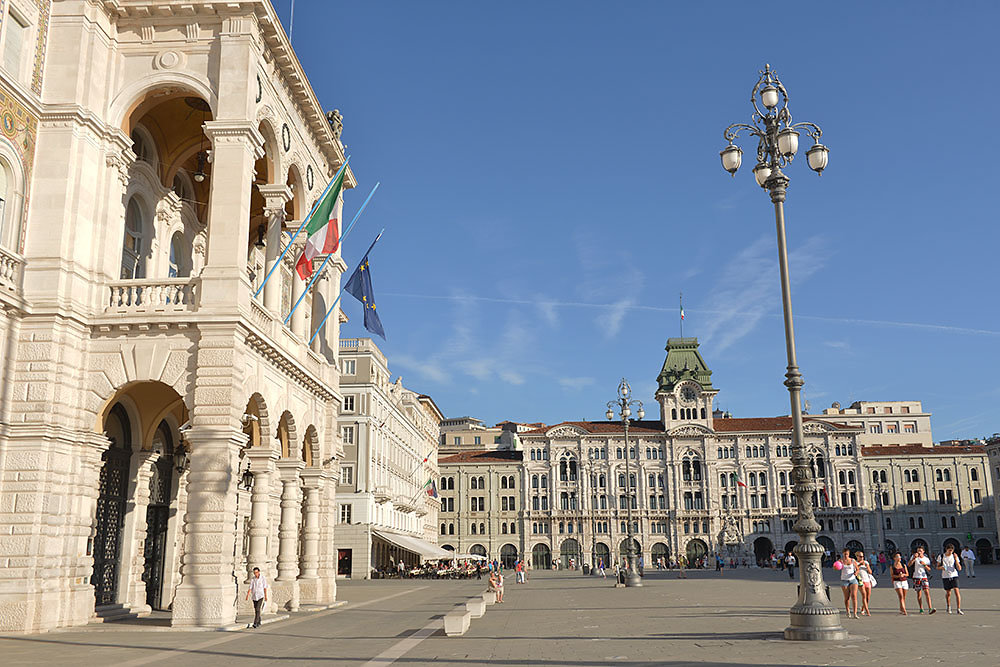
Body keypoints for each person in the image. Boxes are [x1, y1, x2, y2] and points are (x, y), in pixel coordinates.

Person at [908, 546, 936, 614]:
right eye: (918, 551)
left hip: (924, 577)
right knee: (919, 593)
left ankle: (930, 608)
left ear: (923, 551)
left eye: (920, 550)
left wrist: (924, 565)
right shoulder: (914, 557)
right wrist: (913, 559)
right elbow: (909, 565)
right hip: (916, 577)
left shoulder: (926, 559)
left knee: (927, 592)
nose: (919, 552)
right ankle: (921, 608)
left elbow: (929, 569)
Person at [938, 544, 964, 614]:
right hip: (945, 576)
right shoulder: (941, 556)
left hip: (954, 575)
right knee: (948, 593)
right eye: (949, 550)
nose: (950, 552)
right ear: (946, 549)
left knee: (956, 591)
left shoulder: (954, 556)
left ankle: (958, 608)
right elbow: (937, 567)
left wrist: (956, 559)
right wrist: (941, 568)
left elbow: (959, 568)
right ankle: (948, 606)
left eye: (952, 551)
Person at [838, 548, 860, 619]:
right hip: (844, 580)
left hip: (853, 580)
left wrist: (856, 572)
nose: (845, 555)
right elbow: (835, 567)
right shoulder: (840, 561)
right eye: (844, 554)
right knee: (847, 598)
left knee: (854, 596)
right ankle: (848, 611)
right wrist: (836, 566)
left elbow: (857, 568)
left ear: (849, 554)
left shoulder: (853, 561)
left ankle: (855, 613)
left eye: (846, 554)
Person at [856, 551, 874, 617]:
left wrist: (867, 566)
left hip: (867, 580)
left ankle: (863, 608)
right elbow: (854, 570)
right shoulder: (855, 563)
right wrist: (860, 565)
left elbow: (870, 572)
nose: (862, 558)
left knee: (868, 597)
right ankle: (867, 611)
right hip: (860, 581)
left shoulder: (866, 562)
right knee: (864, 595)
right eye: (860, 556)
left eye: (863, 556)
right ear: (857, 556)